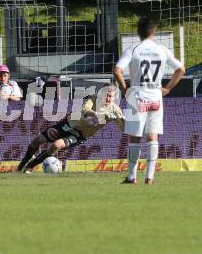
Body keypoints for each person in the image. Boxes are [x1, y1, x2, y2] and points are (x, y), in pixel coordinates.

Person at [114, 17, 185, 185]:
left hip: (137, 95)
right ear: (153, 31)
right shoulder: (161, 49)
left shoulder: (133, 49)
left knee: (134, 138)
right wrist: (167, 89)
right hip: (155, 96)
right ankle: (150, 177)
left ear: (138, 33)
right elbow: (181, 69)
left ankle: (131, 177)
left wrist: (125, 90)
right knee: (153, 137)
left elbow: (117, 71)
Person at [17, 83, 124, 172]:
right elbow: (85, 110)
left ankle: (30, 167)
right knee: (37, 141)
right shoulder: (93, 99)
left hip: (79, 135)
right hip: (67, 125)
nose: (107, 98)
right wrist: (98, 115)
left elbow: (123, 128)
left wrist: (122, 120)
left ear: (114, 97)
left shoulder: (115, 110)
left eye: (110, 96)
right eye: (106, 94)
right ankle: (22, 164)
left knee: (56, 145)